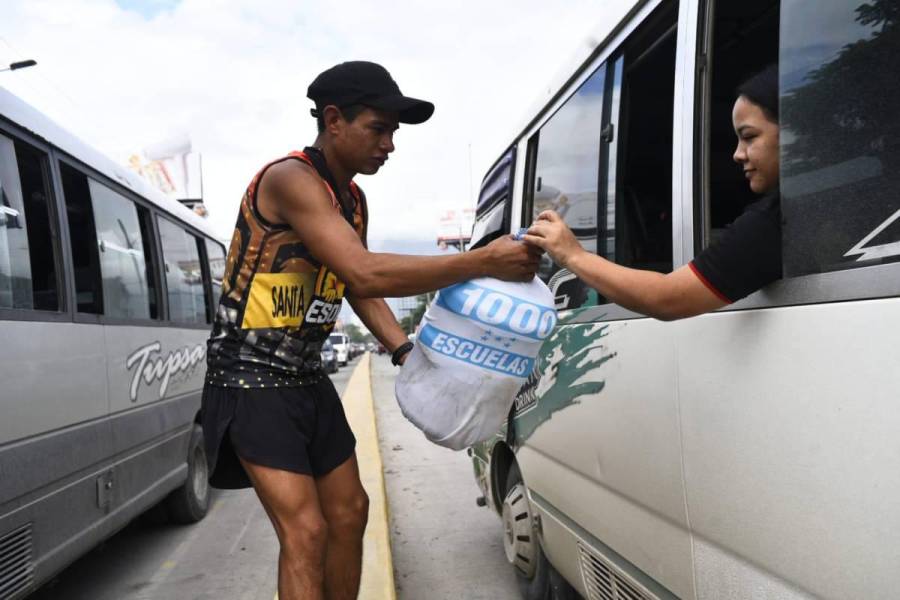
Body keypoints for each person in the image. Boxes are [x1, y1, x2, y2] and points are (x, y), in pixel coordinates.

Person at [202, 61, 540, 600]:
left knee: (351, 512)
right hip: (250, 379)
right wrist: (481, 262)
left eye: (393, 133)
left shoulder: (352, 200)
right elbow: (364, 270)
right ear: (334, 120)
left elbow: (354, 285)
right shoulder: (290, 179)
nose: (389, 145)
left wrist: (407, 351)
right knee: (306, 532)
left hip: (305, 378)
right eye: (378, 129)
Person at [524, 65, 781, 320]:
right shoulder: (801, 208)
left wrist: (573, 255)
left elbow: (667, 298)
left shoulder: (776, 219)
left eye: (749, 137)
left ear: (792, 126)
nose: (737, 154)